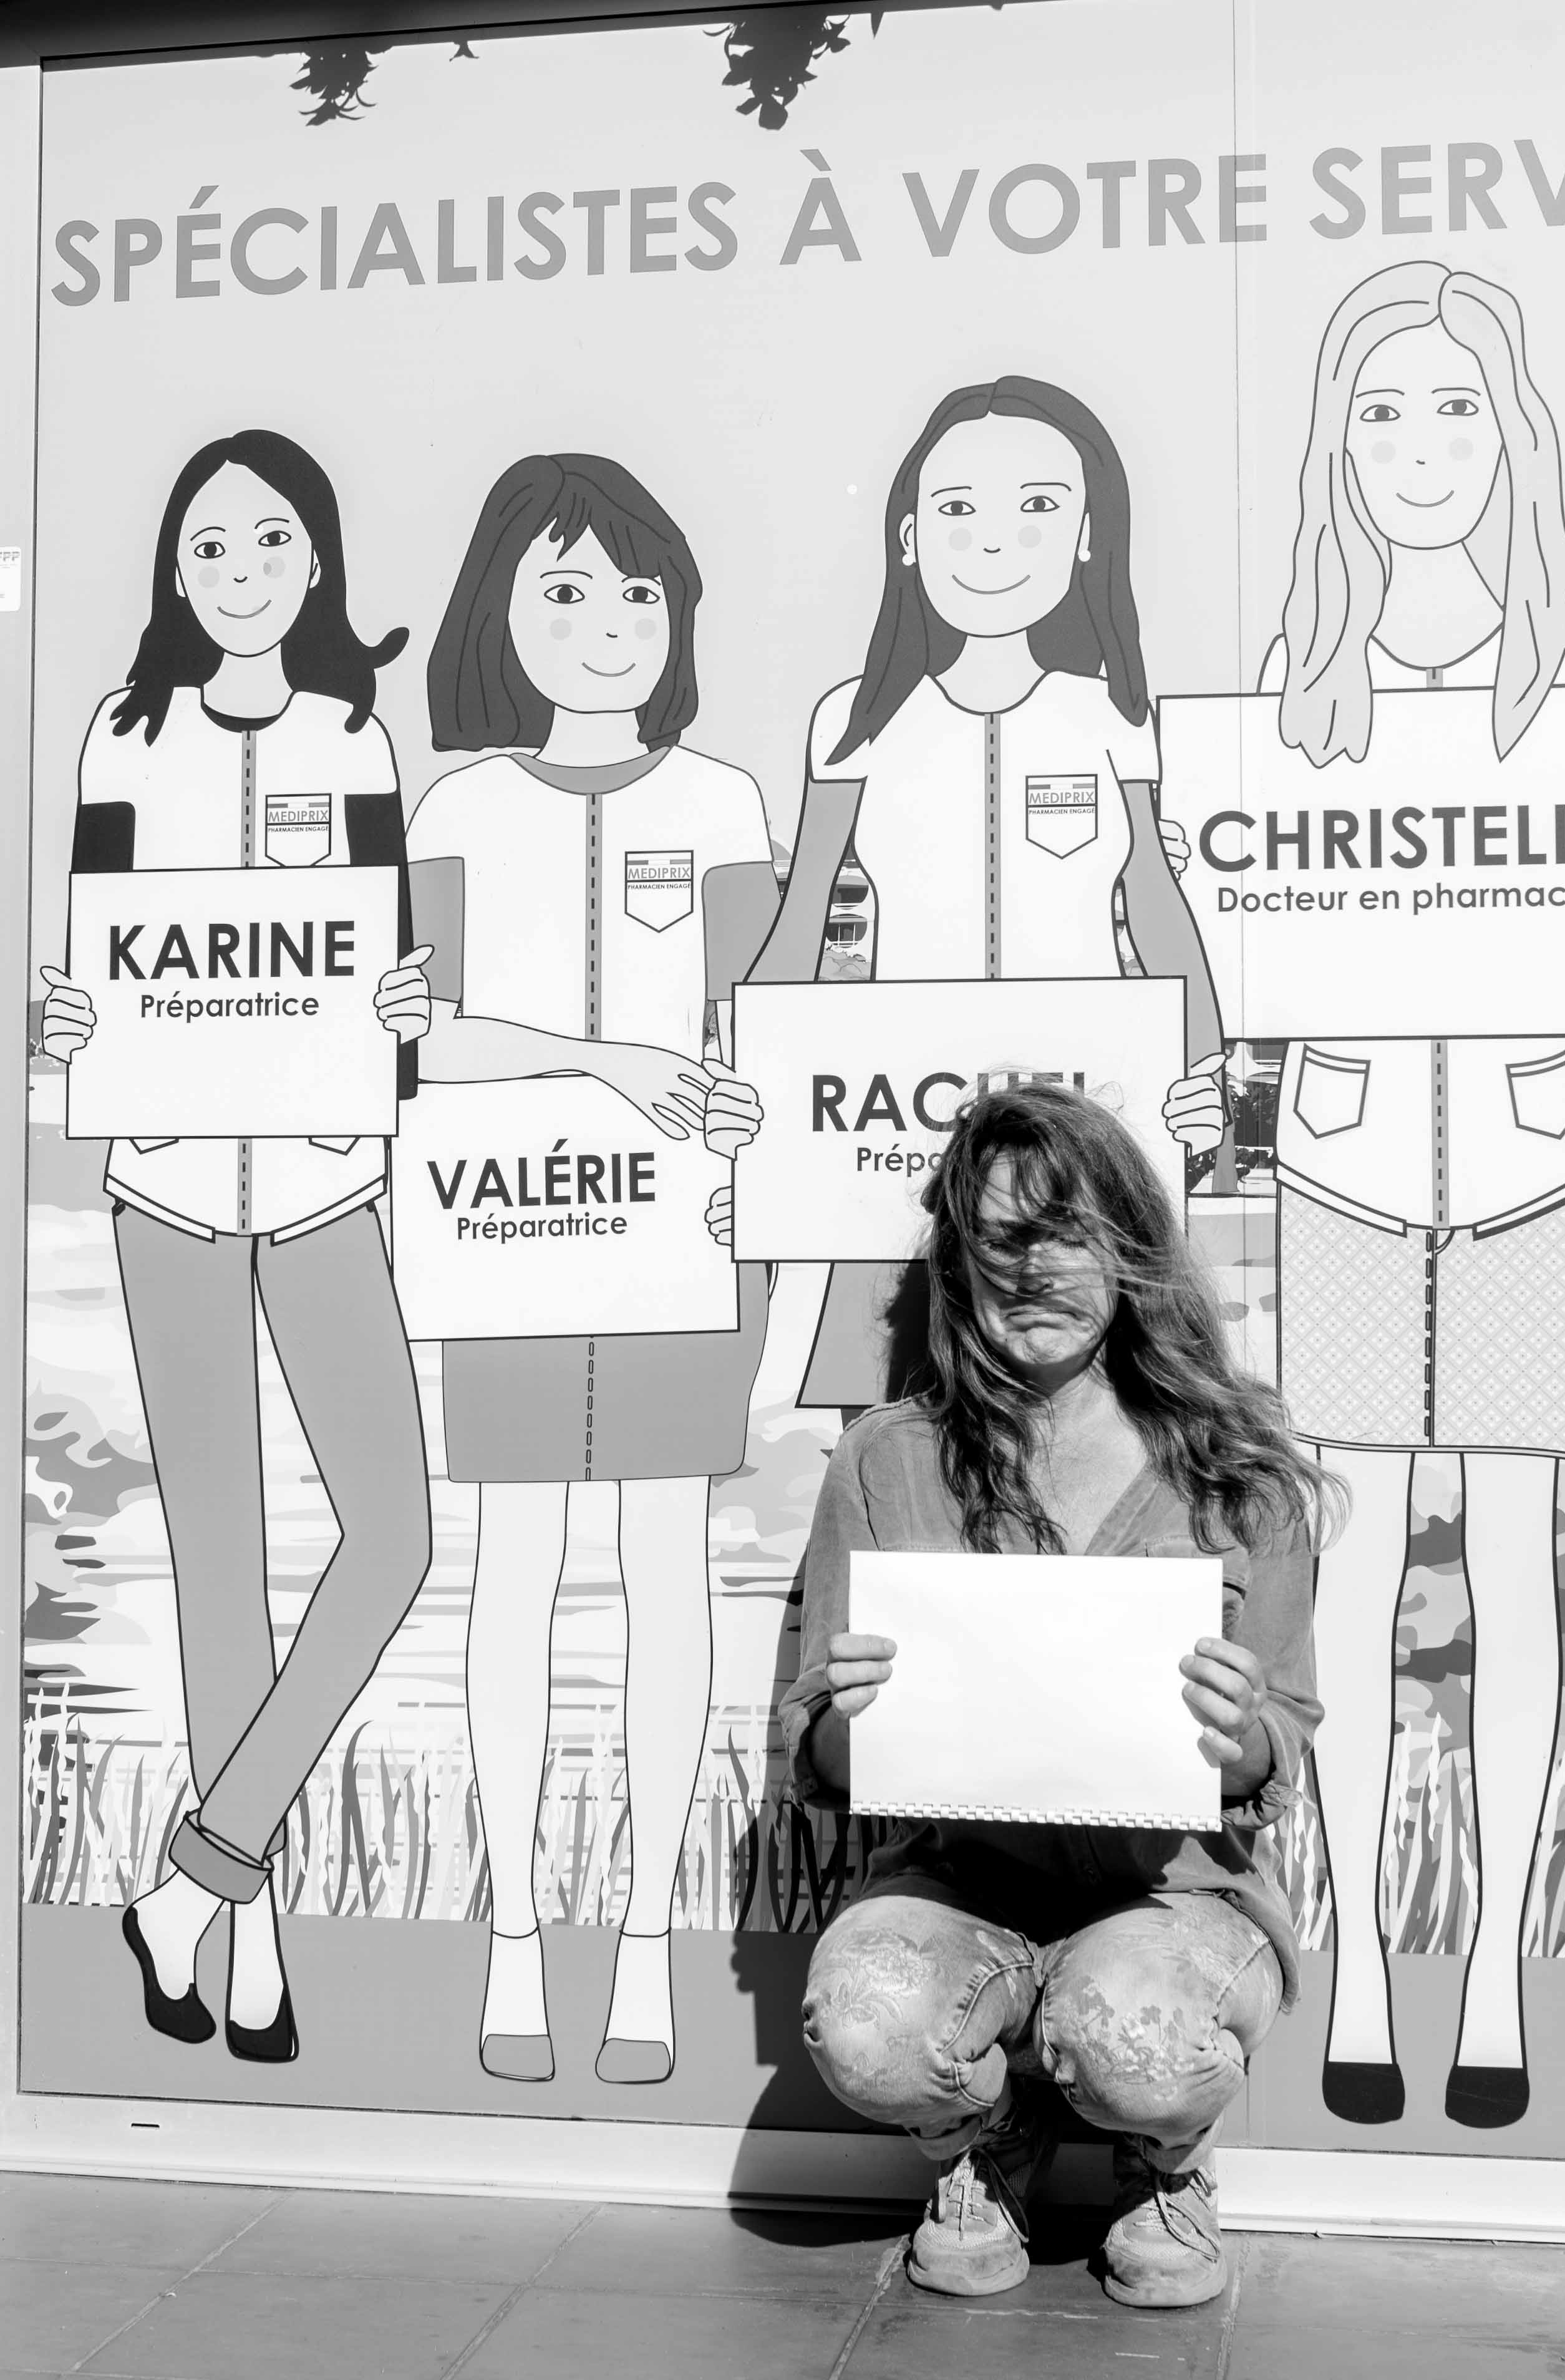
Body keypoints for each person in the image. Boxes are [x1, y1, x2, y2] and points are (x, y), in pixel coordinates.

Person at [783, 1082, 1323, 2308]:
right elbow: (817, 1756)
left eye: (1066, 1235)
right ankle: (988, 2141)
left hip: (1175, 1895)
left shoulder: (1238, 1474)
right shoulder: (887, 1459)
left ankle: (1165, 2165)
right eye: (997, 1240)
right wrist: (847, 1722)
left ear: (1130, 1249)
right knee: (866, 2025)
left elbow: (1280, 1749)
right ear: (957, 1262)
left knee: (1139, 2043)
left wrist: (1242, 1735)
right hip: (958, 1888)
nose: (1031, 1272)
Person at [1258, 258, 1565, 2131]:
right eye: (1378, 410)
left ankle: (1496, 1977)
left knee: (1517, 1575)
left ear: (1511, 432)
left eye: (1454, 405)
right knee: (1358, 1569)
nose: (1417, 448)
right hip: (1347, 1170)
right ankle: (1365, 1970)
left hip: (1537, 1171)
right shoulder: (1291, 698)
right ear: (1333, 444)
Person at [42, 429, 434, 2062]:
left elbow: (383, 959)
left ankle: (192, 1882)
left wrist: (402, 1015)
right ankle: (247, 1934)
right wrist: (67, 1025)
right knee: (221, 1562)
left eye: (270, 541)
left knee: (392, 1535)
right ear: (176, 574)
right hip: (169, 1189)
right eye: (210, 547)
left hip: (329, 1180)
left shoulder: (356, 738)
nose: (242, 571)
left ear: (315, 560)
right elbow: (99, 953)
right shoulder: (125, 736)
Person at [412, 452, 776, 2086]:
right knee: (512, 1563)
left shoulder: (724, 805)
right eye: (562, 591)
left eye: (637, 593)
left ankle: (638, 1949)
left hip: (680, 1240)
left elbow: (750, 1026)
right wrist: (603, 1062)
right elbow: (423, 1038)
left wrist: (736, 1111)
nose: (607, 625)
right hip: (499, 1231)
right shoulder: (457, 812)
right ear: (499, 612)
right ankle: (513, 1938)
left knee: (660, 1564)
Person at [747, 376, 1225, 1414]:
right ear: (909, 537)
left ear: (1088, 535)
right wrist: (753, 1077)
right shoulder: (854, 723)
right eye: (958, 507)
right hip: (889, 1128)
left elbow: (1156, 910)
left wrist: (1202, 1076)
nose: (995, 540)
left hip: (1079, 1127)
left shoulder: (1113, 719)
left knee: (1086, 1393)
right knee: (891, 1413)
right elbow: (800, 926)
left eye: (1038, 505)